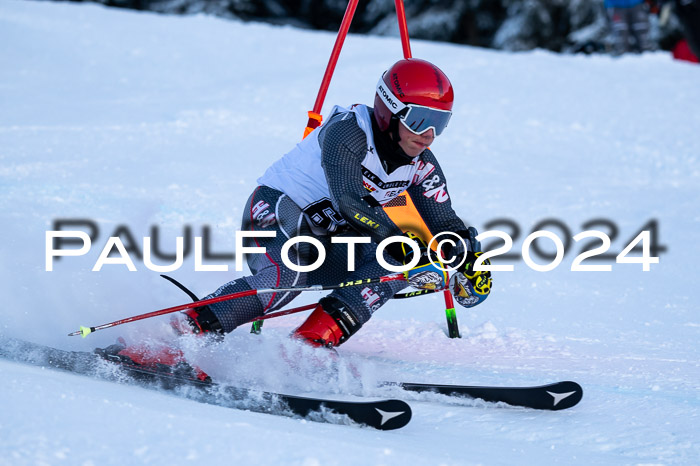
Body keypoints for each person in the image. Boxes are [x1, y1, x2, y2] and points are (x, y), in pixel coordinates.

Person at [106, 59, 493, 376]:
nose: (428, 135)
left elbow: (446, 222)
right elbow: (349, 202)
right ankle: (169, 338)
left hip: (326, 241)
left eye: (439, 123)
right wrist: (405, 241)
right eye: (419, 119)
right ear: (389, 110)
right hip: (274, 214)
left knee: (391, 266)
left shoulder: (421, 163)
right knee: (288, 276)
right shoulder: (349, 133)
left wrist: (468, 257)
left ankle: (306, 349)